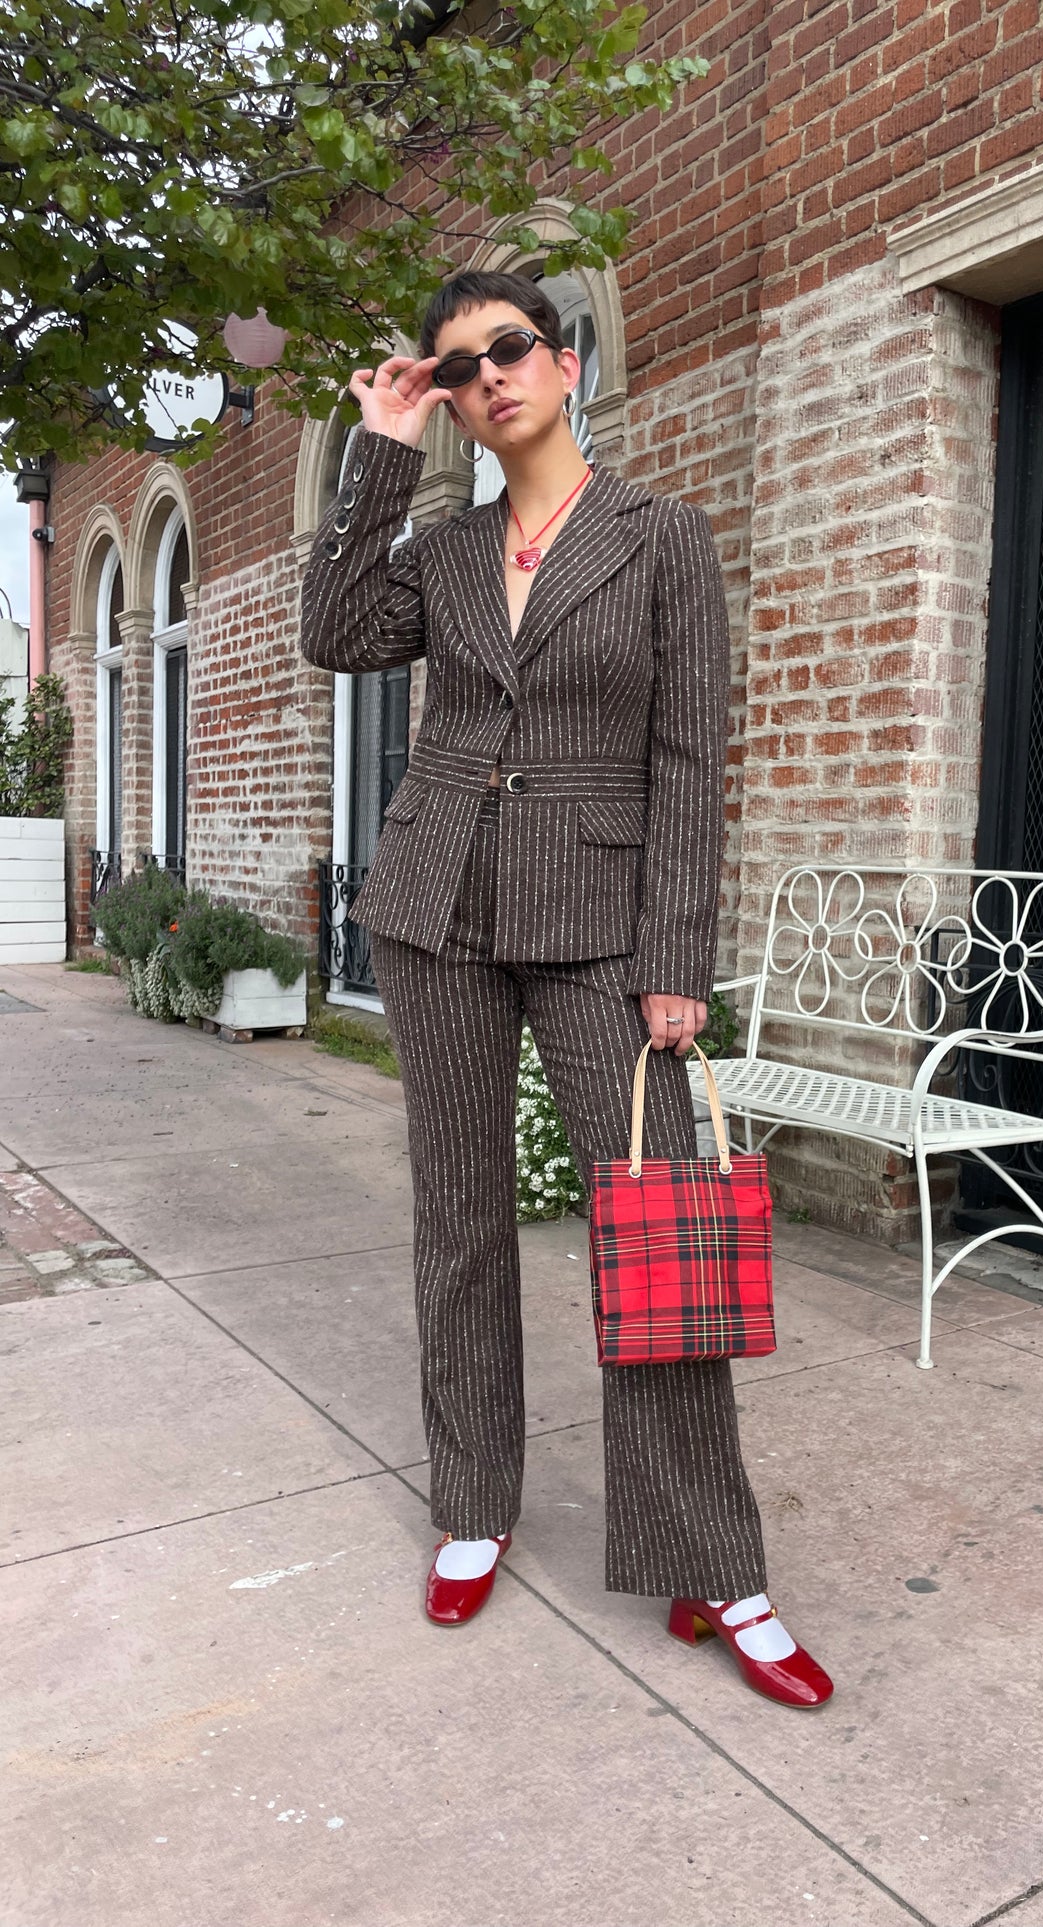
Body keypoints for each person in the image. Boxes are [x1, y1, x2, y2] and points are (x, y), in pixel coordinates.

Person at [299, 269, 832, 1709]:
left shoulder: (666, 540)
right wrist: (381, 453)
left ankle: (711, 1563)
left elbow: (687, 765)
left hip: (603, 928)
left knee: (653, 1243)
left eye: (510, 349)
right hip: (437, 907)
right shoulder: (448, 549)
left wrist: (676, 964)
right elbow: (336, 632)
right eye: (461, 365)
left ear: (570, 358)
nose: (489, 377)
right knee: (459, 1221)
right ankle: (474, 1504)